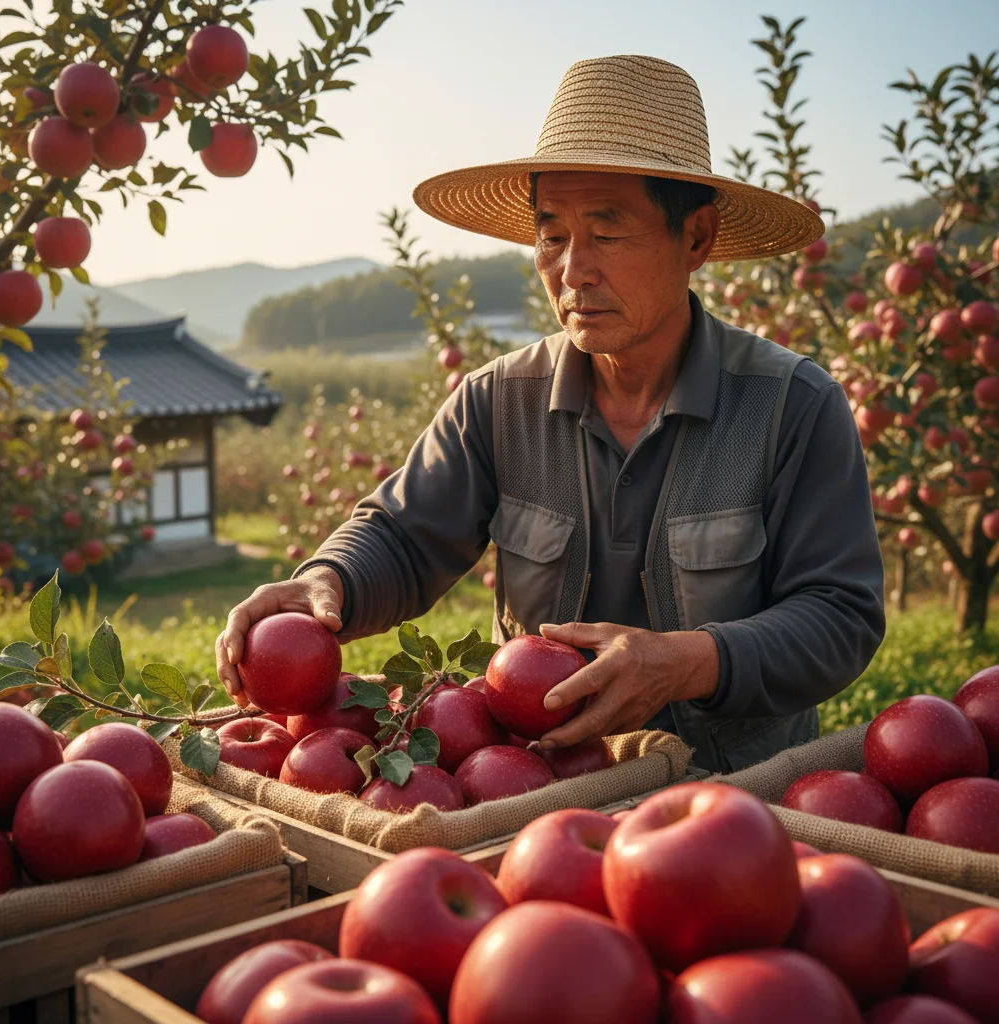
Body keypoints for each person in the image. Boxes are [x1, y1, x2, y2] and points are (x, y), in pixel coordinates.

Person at [216, 55, 885, 773]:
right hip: (540, 792)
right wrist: (331, 581)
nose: (573, 270)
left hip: (738, 802)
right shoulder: (498, 401)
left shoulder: (792, 407)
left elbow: (839, 616)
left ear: (695, 238)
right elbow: (405, 537)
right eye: (552, 233)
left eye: (608, 230)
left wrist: (688, 662)